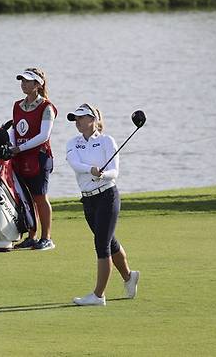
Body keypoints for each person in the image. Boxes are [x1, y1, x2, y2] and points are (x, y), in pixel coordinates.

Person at [65, 103, 139, 306]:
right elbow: (75, 164)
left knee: (102, 244)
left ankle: (98, 295)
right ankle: (129, 277)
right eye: (75, 118)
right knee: (110, 242)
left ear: (93, 120)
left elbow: (114, 171)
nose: (77, 122)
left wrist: (103, 174)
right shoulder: (73, 143)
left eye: (81, 118)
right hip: (88, 199)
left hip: (107, 196)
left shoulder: (107, 141)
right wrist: (92, 170)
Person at [9, 67, 58, 250]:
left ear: (38, 84)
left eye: (28, 81)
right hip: (20, 157)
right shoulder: (17, 105)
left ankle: (46, 238)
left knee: (40, 197)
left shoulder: (46, 107)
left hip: (39, 158)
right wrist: (12, 146)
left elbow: (43, 136)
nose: (23, 84)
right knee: (26, 199)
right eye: (22, 80)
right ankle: (32, 236)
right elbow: (14, 129)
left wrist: (19, 148)